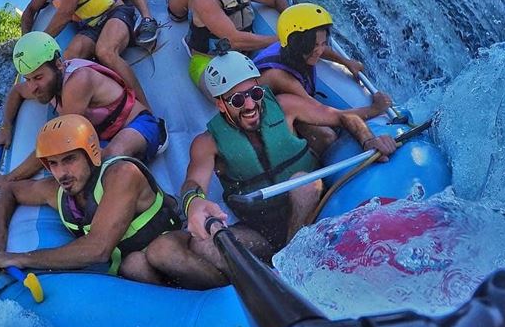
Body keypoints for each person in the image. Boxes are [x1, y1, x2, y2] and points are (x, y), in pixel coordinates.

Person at [144, 51, 397, 289]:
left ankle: (292, 259)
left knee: (303, 182)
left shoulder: (286, 106)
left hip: (310, 212)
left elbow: (342, 117)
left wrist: (369, 140)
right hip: (260, 230)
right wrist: (194, 203)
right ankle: (262, 284)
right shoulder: (207, 143)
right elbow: (193, 183)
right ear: (221, 104)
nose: (250, 104)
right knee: (203, 249)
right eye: (238, 99)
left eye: (255, 93)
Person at [0, 114, 181, 284]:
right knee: (133, 265)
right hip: (132, 269)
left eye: (69, 159)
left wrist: (23, 258)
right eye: (53, 163)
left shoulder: (121, 175)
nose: (62, 173)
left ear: (91, 154)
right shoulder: (55, 190)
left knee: (141, 262)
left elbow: (98, 249)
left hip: (172, 250)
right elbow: (9, 190)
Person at [0, 32, 167, 190]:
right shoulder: (46, 84)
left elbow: (58, 142)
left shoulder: (77, 82)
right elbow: (17, 91)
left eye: (38, 77)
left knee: (108, 158)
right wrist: (6, 128)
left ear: (58, 65)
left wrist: (8, 179)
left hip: (140, 125)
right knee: (79, 169)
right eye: (29, 79)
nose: (33, 87)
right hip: (105, 136)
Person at [21, 0, 150, 108]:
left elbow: (65, 12)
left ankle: (146, 110)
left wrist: (38, 45)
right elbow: (29, 11)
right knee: (66, 60)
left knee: (105, 51)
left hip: (116, 13)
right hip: (92, 26)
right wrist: (25, 41)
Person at [255, 3, 392, 147]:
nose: (320, 50)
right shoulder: (281, 78)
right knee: (327, 136)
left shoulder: (291, 48)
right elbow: (326, 113)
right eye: (314, 45)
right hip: (263, 121)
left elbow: (322, 50)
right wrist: (375, 109)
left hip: (288, 104)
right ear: (298, 44)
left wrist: (346, 62)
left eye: (323, 43)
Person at [186, 0, 288, 89]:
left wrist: (291, 17)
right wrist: (283, 40)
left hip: (243, 57)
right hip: (207, 61)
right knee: (238, 100)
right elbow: (234, 40)